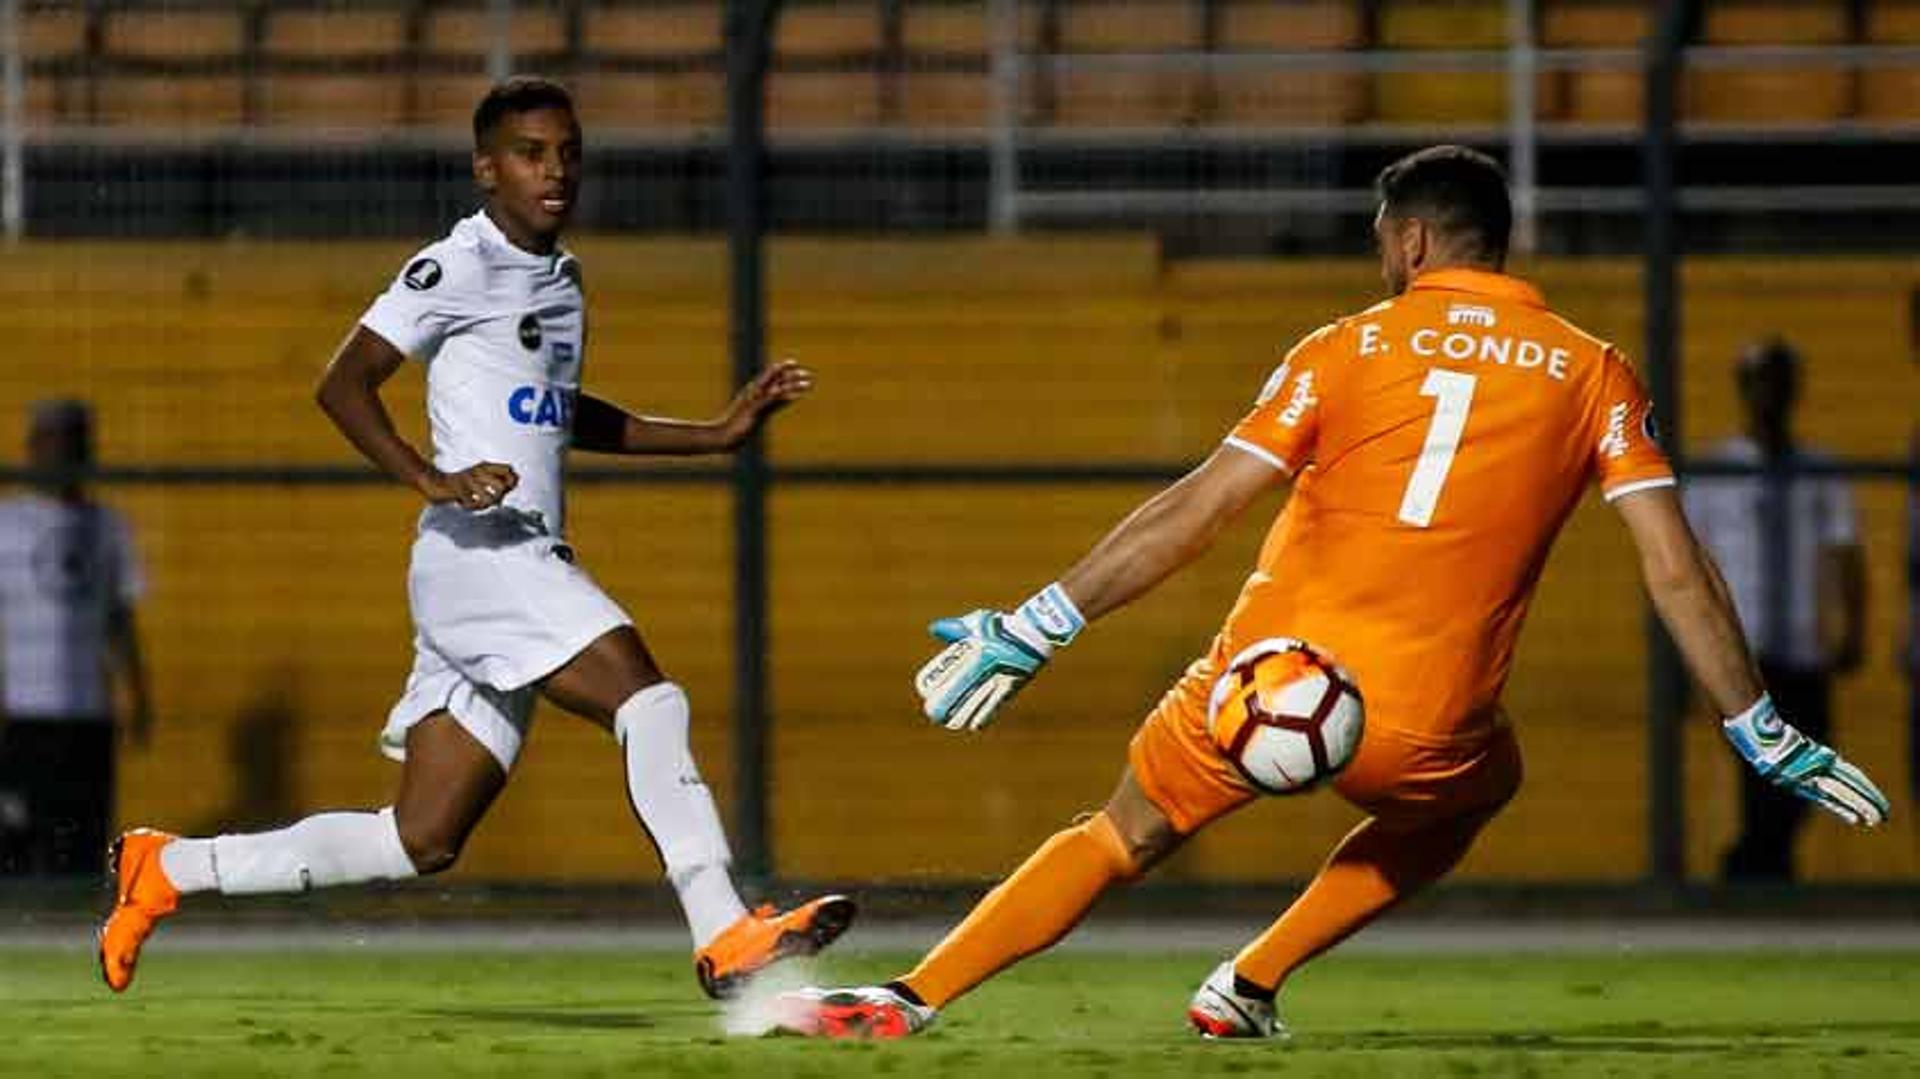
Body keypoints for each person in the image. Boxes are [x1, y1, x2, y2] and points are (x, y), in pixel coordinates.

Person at [775, 145, 1889, 1040]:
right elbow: (1674, 563)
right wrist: (1757, 722)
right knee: (1481, 784)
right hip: (1423, 719)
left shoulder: (1342, 346)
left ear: (1408, 239)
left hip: (1255, 681)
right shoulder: (1593, 370)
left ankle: (907, 997)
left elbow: (1202, 508)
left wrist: (1039, 621)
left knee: (1117, 834)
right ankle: (1248, 979)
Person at [97, 77, 854, 997]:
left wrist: (714, 433)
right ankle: (723, 929)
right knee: (649, 700)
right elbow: (344, 382)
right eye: (533, 154)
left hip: (504, 568)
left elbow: (558, 410)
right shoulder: (456, 265)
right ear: (485, 168)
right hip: (484, 553)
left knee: (420, 838)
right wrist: (430, 476)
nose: (556, 171)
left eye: (569, 152)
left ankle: (167, 869)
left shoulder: (563, 279)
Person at [1682, 339, 1868, 882]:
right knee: (1760, 772)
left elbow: (1843, 551)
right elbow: (1690, 566)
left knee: (1805, 768)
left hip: (1802, 646)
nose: (1770, 396)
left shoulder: (1818, 470)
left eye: (1779, 383)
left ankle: (1750, 866)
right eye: (1760, 383)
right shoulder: (1716, 471)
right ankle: (1759, 870)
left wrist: (1850, 627)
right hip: (1743, 650)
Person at [0, 400, 151, 876]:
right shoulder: (7, 523)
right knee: (19, 841)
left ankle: (72, 938)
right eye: (49, 443)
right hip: (22, 712)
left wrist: (138, 694)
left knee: (82, 840)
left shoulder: (106, 526)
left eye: (70, 444)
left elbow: (120, 618)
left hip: (88, 710)